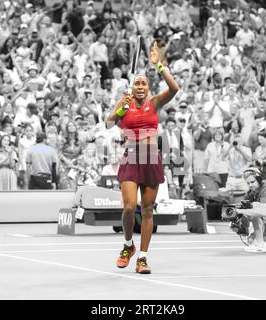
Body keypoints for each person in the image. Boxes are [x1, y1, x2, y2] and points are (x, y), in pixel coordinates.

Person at [106, 41, 180, 274]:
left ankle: (143, 258)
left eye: (143, 83)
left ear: (148, 88)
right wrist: (120, 110)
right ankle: (128, 245)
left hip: (151, 158)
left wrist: (159, 65)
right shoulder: (124, 103)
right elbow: (108, 122)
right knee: (129, 208)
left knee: (147, 210)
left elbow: (175, 88)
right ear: (132, 86)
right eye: (137, 82)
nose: (140, 86)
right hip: (131, 157)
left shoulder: (154, 103)